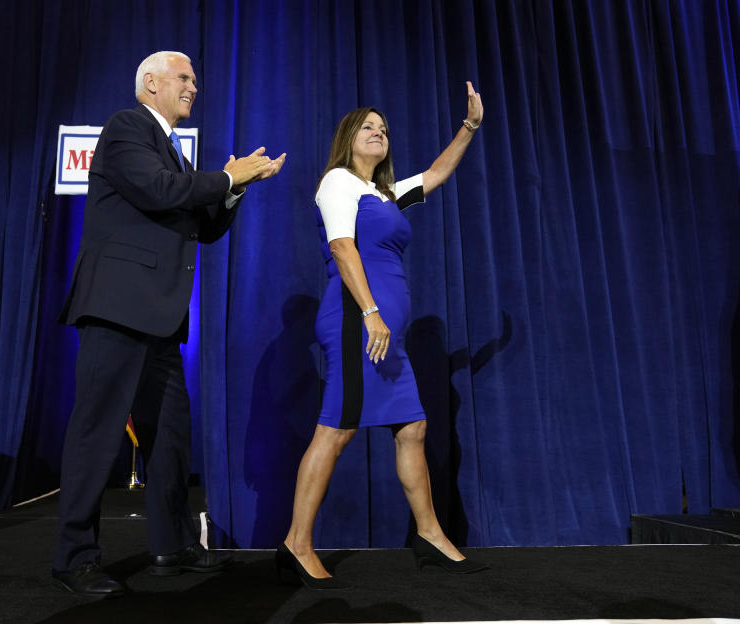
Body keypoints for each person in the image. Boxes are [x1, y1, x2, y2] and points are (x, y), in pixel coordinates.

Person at [54, 50, 285, 597]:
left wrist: (235, 187)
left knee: (171, 438)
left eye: (194, 81)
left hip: (158, 318)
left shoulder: (175, 154)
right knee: (96, 434)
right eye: (184, 78)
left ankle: (171, 544)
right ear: (150, 83)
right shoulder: (127, 127)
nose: (193, 87)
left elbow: (203, 227)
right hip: (116, 308)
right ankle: (73, 557)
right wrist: (226, 174)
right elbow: (159, 192)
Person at [277, 83, 486, 590]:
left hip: (384, 332)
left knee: (412, 426)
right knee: (338, 428)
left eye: (384, 129)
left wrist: (469, 127)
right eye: (368, 127)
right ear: (349, 138)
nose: (378, 133)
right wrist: (370, 311)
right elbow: (343, 248)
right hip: (355, 320)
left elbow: (435, 175)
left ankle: (430, 534)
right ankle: (296, 545)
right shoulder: (338, 183)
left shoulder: (384, 193)